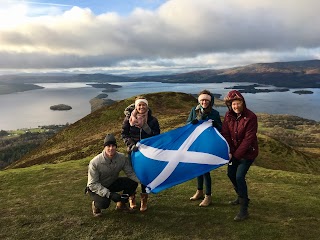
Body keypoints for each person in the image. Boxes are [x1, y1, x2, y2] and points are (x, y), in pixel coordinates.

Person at [221, 90, 259, 221]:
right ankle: (241, 196)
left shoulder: (251, 117)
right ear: (230, 105)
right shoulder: (228, 116)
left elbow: (248, 139)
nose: (236, 106)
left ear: (243, 102)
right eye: (233, 104)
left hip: (248, 153)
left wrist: (236, 156)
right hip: (235, 153)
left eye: (238, 103)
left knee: (239, 176)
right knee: (230, 174)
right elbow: (226, 134)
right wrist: (231, 151)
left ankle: (244, 210)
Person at [121, 96, 160, 212]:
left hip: (147, 153)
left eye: (144, 105)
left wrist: (145, 127)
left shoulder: (153, 120)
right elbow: (124, 134)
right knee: (132, 174)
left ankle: (144, 199)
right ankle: (132, 198)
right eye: (139, 105)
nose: (141, 107)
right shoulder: (128, 119)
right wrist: (131, 145)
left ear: (147, 106)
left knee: (144, 175)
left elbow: (156, 136)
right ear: (136, 106)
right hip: (133, 151)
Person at [86, 133, 139, 217]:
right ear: (104, 147)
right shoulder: (95, 162)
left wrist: (143, 182)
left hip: (112, 182)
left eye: (113, 145)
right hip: (96, 188)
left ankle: (121, 204)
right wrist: (110, 194)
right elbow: (92, 184)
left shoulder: (121, 158)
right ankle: (96, 205)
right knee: (104, 203)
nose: (111, 148)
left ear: (116, 146)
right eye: (108, 146)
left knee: (132, 183)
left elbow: (130, 173)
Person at [187, 89, 222, 207]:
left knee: (205, 170)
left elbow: (220, 129)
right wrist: (193, 122)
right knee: (198, 168)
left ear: (210, 101)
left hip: (208, 144)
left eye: (206, 100)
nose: (204, 102)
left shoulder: (215, 113)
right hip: (197, 143)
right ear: (199, 100)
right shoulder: (194, 110)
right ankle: (199, 191)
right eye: (202, 100)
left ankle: (208, 196)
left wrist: (215, 125)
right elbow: (187, 124)